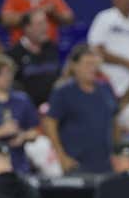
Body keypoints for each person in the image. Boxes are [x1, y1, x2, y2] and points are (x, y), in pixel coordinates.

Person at [42, 44, 117, 174]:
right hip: (76, 164)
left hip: (106, 164)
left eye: (95, 64)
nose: (92, 68)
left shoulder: (106, 89)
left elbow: (115, 121)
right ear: (74, 66)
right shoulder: (63, 92)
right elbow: (49, 123)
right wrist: (61, 157)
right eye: (87, 64)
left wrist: (117, 152)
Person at [7, 10, 60, 108]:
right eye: (40, 24)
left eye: (46, 23)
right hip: (26, 110)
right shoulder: (14, 54)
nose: (45, 27)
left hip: (53, 108)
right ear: (27, 28)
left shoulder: (52, 48)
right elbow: (12, 87)